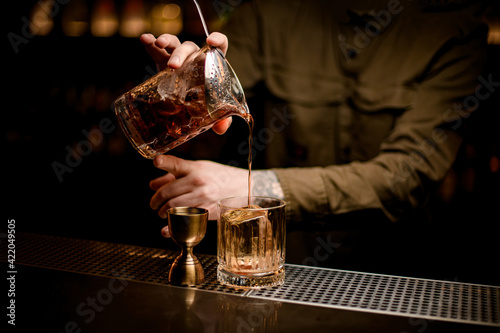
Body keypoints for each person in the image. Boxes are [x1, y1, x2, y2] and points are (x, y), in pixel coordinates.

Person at [140, 0, 488, 249]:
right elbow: (211, 119)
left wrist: (253, 189)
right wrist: (177, 96)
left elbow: (407, 176)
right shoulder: (268, 13)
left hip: (398, 270)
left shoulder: (453, 30)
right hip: (281, 262)